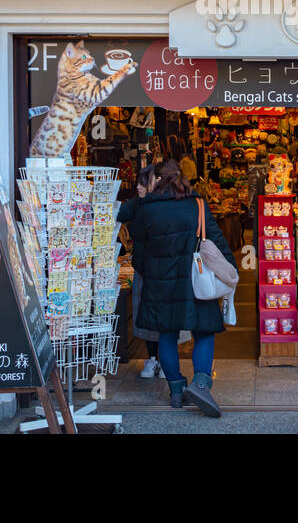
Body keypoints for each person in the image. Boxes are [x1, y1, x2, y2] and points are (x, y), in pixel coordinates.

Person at [117, 158, 235, 417]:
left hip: (161, 284)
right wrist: (230, 272)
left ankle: (176, 389)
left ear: (157, 181)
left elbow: (139, 254)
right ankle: (202, 384)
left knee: (167, 335)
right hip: (198, 281)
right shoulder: (198, 205)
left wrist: (152, 272)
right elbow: (217, 243)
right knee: (203, 332)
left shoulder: (147, 210)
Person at [125, 165, 163, 379]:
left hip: (165, 269)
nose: (138, 187)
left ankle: (166, 360)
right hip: (144, 267)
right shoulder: (137, 204)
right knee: (148, 315)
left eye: (142, 183)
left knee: (165, 316)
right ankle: (153, 359)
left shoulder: (168, 204)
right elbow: (120, 213)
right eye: (137, 182)